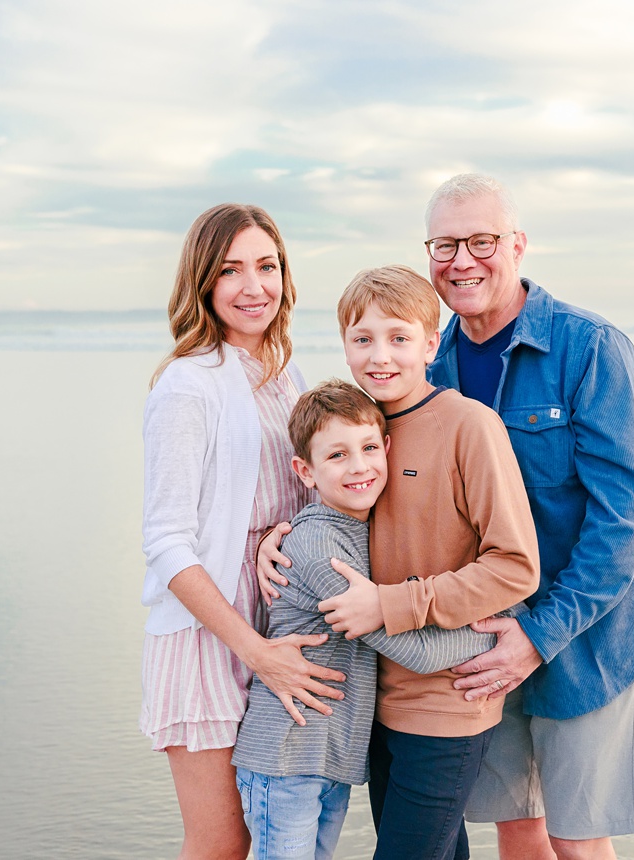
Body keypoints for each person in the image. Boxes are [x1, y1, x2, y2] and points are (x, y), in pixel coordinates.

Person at [422, 173, 634, 860]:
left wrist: (537, 636)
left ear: (518, 245)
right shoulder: (428, 364)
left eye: (482, 240)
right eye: (446, 244)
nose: (463, 260)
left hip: (588, 629)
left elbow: (625, 518)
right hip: (485, 631)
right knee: (517, 822)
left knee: (576, 836)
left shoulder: (589, 347)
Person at [263, 265, 540, 859]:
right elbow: (329, 505)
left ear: (431, 344)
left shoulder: (470, 425)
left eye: (399, 338)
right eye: (362, 339)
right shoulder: (364, 426)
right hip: (374, 703)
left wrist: (390, 604)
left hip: (447, 700)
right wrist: (277, 535)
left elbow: (515, 566)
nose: (379, 356)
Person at [139, 203, 348, 860]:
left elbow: (299, 488)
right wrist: (254, 651)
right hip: (213, 642)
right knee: (222, 845)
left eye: (267, 266)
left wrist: (271, 541)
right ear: (203, 282)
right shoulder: (187, 384)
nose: (253, 286)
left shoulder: (285, 374)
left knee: (279, 835)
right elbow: (167, 542)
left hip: (279, 628)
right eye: (230, 270)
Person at [232, 379, 506, 860]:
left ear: (388, 449)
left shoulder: (366, 529)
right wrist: (503, 632)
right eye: (337, 456)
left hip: (328, 759)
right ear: (305, 471)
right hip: (286, 757)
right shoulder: (321, 550)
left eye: (368, 448)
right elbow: (415, 651)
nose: (359, 467)